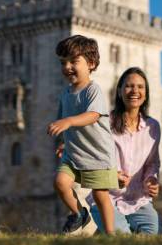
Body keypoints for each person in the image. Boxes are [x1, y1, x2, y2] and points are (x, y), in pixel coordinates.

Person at [48, 35, 118, 234]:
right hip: (73, 152)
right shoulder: (65, 93)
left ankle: (110, 234)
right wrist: (64, 142)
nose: (67, 67)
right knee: (60, 183)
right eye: (64, 62)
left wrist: (68, 121)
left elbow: (93, 115)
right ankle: (78, 213)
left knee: (100, 195)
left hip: (97, 154)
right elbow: (66, 123)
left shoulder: (92, 90)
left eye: (74, 61)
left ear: (91, 64)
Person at [89, 67, 162, 234]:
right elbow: (92, 160)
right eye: (129, 86)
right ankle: (107, 232)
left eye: (140, 87)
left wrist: (152, 179)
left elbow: (152, 163)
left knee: (153, 237)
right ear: (119, 91)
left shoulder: (153, 127)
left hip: (138, 200)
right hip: (106, 198)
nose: (135, 91)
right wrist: (111, 176)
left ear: (146, 93)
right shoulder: (104, 123)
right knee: (123, 239)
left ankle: (102, 236)